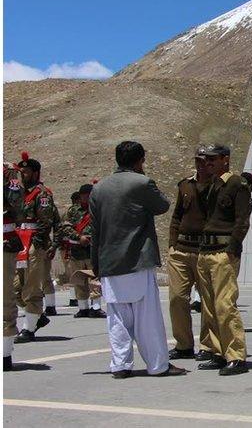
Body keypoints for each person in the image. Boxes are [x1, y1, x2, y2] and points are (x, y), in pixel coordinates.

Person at [89, 141, 185, 378]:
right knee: (147, 317)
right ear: (139, 161)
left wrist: (96, 265)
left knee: (117, 318)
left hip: (110, 262)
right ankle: (157, 365)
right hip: (138, 259)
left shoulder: (99, 188)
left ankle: (120, 365)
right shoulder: (142, 183)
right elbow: (162, 205)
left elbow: (95, 231)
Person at [197, 144, 252, 375]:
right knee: (208, 307)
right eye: (206, 159)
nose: (208, 163)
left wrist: (233, 248)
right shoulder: (212, 185)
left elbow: (242, 220)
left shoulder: (236, 184)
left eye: (213, 159)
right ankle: (217, 352)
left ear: (225, 159)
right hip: (206, 251)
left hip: (222, 252)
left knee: (224, 305)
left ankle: (236, 355)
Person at [167, 146, 214, 361]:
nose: (201, 165)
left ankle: (208, 346)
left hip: (206, 251)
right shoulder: (185, 185)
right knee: (177, 298)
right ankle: (184, 345)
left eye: (205, 161)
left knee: (208, 301)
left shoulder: (219, 186)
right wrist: (172, 244)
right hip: (182, 250)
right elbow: (177, 216)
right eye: (198, 160)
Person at [14, 151, 58, 343]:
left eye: (27, 171)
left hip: (33, 242)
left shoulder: (42, 194)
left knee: (31, 286)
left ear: (35, 173)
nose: (23, 174)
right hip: (17, 242)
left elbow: (46, 221)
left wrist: (38, 244)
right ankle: (37, 316)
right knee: (15, 287)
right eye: (21, 171)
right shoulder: (17, 193)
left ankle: (28, 328)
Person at [59, 183, 105, 319]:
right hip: (77, 249)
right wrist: (79, 238)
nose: (86, 198)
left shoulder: (99, 209)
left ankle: (96, 307)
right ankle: (83, 307)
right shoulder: (72, 211)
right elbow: (65, 227)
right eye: (84, 196)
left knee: (94, 279)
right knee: (79, 279)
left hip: (93, 249)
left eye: (89, 195)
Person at [3, 162, 25, 371]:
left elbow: (19, 208)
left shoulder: (9, 174)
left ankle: (4, 354)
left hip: (3, 240)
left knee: (5, 297)